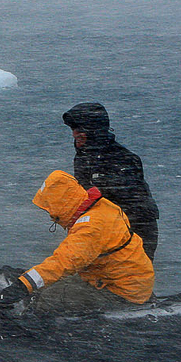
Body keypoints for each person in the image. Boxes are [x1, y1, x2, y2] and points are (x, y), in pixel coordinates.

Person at [0, 170, 154, 313]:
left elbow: (63, 262)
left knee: (50, 298)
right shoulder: (101, 208)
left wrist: (21, 286)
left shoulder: (90, 227)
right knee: (48, 285)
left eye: (51, 209)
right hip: (127, 281)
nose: (51, 217)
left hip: (121, 291)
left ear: (62, 204)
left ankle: (39, 336)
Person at [63, 102, 159, 259]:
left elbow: (131, 206)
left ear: (93, 131)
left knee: (123, 276)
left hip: (135, 232)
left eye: (78, 129)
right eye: (73, 129)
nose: (74, 134)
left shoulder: (125, 160)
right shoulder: (84, 157)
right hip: (108, 228)